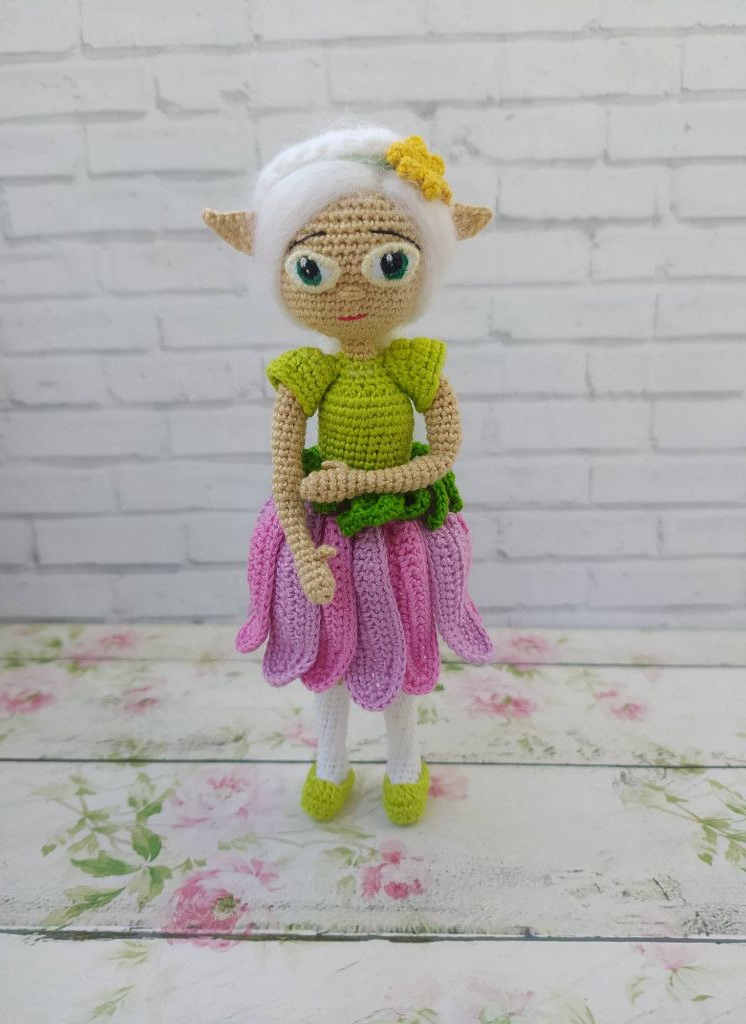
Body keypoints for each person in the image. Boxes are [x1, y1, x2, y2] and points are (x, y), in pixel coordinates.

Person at [203, 126, 494, 826]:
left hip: (401, 532)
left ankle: (404, 761)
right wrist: (302, 551)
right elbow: (283, 472)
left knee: (400, 647)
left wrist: (364, 484)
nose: (354, 290)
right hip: (328, 538)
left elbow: (442, 455)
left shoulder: (415, 366)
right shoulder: (307, 374)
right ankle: (330, 758)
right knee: (328, 649)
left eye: (389, 262)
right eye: (313, 269)